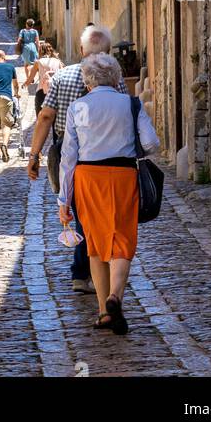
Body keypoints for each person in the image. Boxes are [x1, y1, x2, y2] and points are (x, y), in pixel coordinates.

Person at [58, 52, 160, 335]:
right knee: (122, 239)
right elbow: (151, 143)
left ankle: (104, 311)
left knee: (95, 243)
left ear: (87, 79)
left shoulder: (78, 107)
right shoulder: (130, 103)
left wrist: (63, 200)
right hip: (123, 175)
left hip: (88, 178)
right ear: (116, 77)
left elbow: (68, 156)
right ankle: (116, 296)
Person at [26, 24, 129, 293]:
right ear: (107, 51)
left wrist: (34, 154)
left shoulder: (62, 77)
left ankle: (83, 271)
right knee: (100, 214)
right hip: (107, 152)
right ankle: (91, 271)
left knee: (81, 212)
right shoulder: (115, 81)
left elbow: (46, 116)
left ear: (82, 50)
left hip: (67, 150)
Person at [25, 40, 62, 116]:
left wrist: (24, 84)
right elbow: (63, 75)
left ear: (40, 51)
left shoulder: (38, 62)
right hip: (56, 91)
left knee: (40, 118)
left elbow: (30, 79)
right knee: (56, 120)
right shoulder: (58, 61)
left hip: (42, 91)